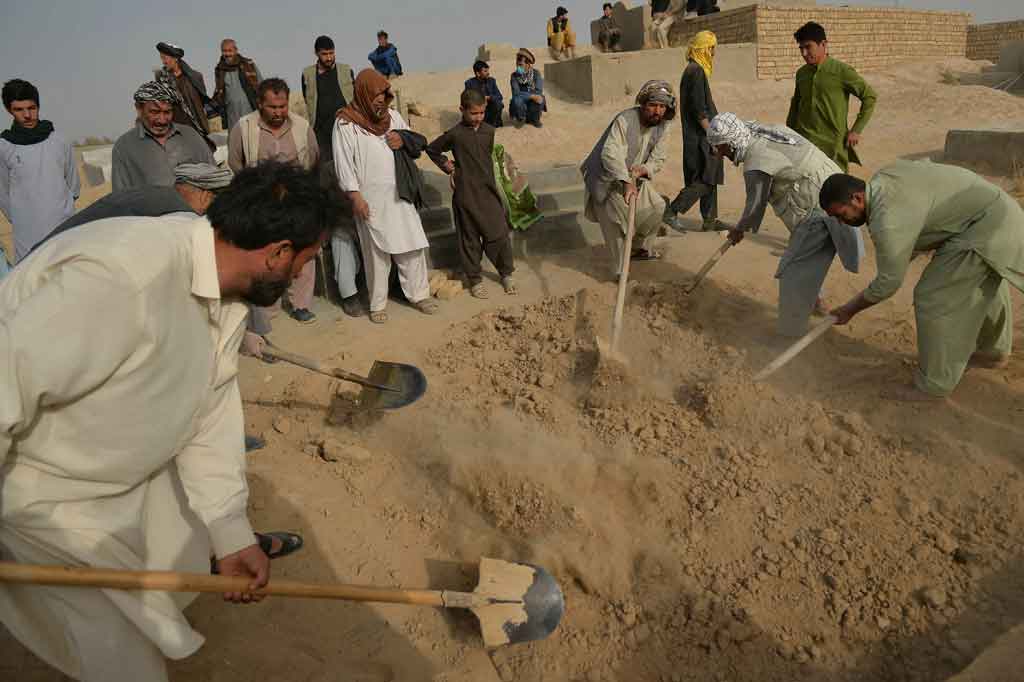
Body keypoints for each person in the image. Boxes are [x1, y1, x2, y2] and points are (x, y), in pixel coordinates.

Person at [0, 161, 330, 681]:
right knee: (126, 663)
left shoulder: (224, 295)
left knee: (181, 572)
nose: (300, 278)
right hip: (47, 505)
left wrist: (232, 533)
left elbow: (210, 416)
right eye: (305, 261)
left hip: (128, 483)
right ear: (278, 253)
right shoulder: (123, 277)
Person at [820, 162, 1024, 401]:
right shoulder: (885, 177)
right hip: (1000, 212)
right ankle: (992, 352)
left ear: (857, 198)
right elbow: (911, 231)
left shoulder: (886, 219)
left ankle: (934, 384)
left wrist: (849, 310)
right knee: (978, 281)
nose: (842, 222)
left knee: (934, 296)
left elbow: (888, 283)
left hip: (983, 228)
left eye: (841, 214)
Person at [705, 113, 863, 336]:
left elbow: (755, 205)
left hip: (818, 207)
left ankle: (790, 331)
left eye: (721, 148)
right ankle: (816, 301)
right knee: (808, 257)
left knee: (793, 271)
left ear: (732, 142)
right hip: (835, 188)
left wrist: (739, 229)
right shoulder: (763, 131)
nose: (719, 154)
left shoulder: (755, 160)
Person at [333, 69, 438, 323]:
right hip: (370, 198)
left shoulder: (392, 116)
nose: (382, 99)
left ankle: (419, 295)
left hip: (400, 193)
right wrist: (355, 195)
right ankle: (378, 304)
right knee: (376, 253)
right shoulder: (345, 123)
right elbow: (343, 163)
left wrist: (401, 140)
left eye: (385, 94)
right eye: (377, 95)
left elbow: (413, 142)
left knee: (411, 246)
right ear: (364, 93)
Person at [228, 78, 321, 325]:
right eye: (273, 107)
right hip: (261, 206)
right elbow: (235, 163)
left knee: (302, 252)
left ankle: (301, 305)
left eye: (283, 106)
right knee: (266, 257)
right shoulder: (244, 127)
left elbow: (313, 160)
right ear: (260, 104)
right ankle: (268, 309)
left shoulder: (302, 127)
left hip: (296, 203)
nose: (279, 112)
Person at [427, 88, 517, 299]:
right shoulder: (455, 134)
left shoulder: (489, 131)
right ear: (462, 110)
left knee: (499, 234)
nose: (478, 118)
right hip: (465, 194)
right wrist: (449, 166)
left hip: (488, 192)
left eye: (482, 113)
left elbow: (488, 158)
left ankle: (506, 274)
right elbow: (432, 149)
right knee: (469, 239)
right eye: (473, 113)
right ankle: (475, 280)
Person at [581, 80, 675, 277]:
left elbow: (659, 157)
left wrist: (645, 169)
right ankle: (620, 271)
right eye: (652, 105)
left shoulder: (663, 126)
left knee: (656, 207)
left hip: (634, 179)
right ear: (643, 104)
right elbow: (609, 154)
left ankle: (640, 249)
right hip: (606, 179)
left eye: (662, 106)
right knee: (617, 222)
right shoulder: (625, 120)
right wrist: (624, 181)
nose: (657, 111)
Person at [302, 35, 363, 318]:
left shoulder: (346, 70)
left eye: (332, 52)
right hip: (324, 140)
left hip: (349, 135)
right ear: (317, 54)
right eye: (324, 53)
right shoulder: (307, 75)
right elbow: (309, 101)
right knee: (338, 216)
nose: (329, 57)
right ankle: (349, 293)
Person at [0, 79, 79, 262]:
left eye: (32, 108)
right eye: (19, 110)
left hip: (64, 229)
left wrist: (59, 210)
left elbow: (73, 186)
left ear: (38, 106)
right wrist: (25, 217)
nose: (27, 115)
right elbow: (3, 193)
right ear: (9, 111)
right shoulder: (4, 147)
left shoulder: (59, 141)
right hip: (27, 236)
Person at [786, 22, 877, 173]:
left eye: (808, 47)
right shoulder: (801, 73)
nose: (804, 53)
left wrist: (856, 130)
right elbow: (796, 104)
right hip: (805, 144)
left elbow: (869, 96)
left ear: (823, 44)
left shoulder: (841, 71)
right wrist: (789, 134)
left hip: (833, 147)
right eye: (801, 48)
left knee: (836, 190)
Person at [663, 30, 726, 233]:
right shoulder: (696, 72)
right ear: (703, 49)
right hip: (700, 137)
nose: (713, 53)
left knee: (711, 175)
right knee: (705, 181)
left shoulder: (692, 70)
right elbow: (699, 111)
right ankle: (672, 211)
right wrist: (713, 136)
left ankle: (709, 220)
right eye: (711, 49)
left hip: (698, 136)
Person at [111, 80, 215, 192]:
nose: (162, 120)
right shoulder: (124, 147)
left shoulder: (191, 136)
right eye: (154, 112)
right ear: (139, 109)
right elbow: (121, 196)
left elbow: (215, 177)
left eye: (167, 112)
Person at [156, 42, 213, 142]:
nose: (163, 62)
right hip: (176, 127)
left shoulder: (195, 77)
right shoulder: (162, 79)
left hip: (195, 126)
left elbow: (202, 102)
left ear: (175, 58)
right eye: (162, 58)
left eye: (165, 58)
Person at [213, 38, 263, 132]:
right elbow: (219, 91)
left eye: (230, 50)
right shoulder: (219, 70)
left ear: (235, 50)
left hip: (250, 110)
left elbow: (261, 86)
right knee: (235, 141)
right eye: (224, 51)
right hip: (232, 114)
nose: (227, 54)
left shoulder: (249, 64)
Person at [509, 49, 546, 128]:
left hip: (533, 101)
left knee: (541, 98)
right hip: (522, 101)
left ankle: (535, 119)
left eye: (521, 65)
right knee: (516, 100)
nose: (518, 67)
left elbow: (538, 91)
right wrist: (531, 96)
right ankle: (521, 118)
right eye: (517, 64)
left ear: (528, 65)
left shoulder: (536, 74)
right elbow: (516, 93)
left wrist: (533, 96)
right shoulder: (514, 76)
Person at [465, 60, 504, 128]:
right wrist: (480, 99)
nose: (488, 73)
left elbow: (499, 96)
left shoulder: (492, 81)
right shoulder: (469, 83)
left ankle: (494, 124)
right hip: (478, 110)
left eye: (488, 71)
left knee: (498, 104)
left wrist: (489, 97)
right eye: (485, 71)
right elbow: (467, 100)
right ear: (478, 73)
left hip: (490, 109)